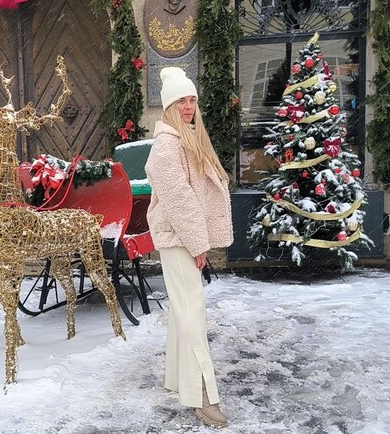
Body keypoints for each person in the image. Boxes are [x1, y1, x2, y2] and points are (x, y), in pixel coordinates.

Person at [145, 67, 233, 429]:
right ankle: (202, 396)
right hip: (178, 237)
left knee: (184, 311)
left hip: (184, 236)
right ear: (168, 107)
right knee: (192, 314)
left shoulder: (190, 138)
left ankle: (178, 380)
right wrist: (199, 245)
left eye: (192, 99)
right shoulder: (167, 146)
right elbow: (180, 201)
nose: (188, 106)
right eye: (181, 100)